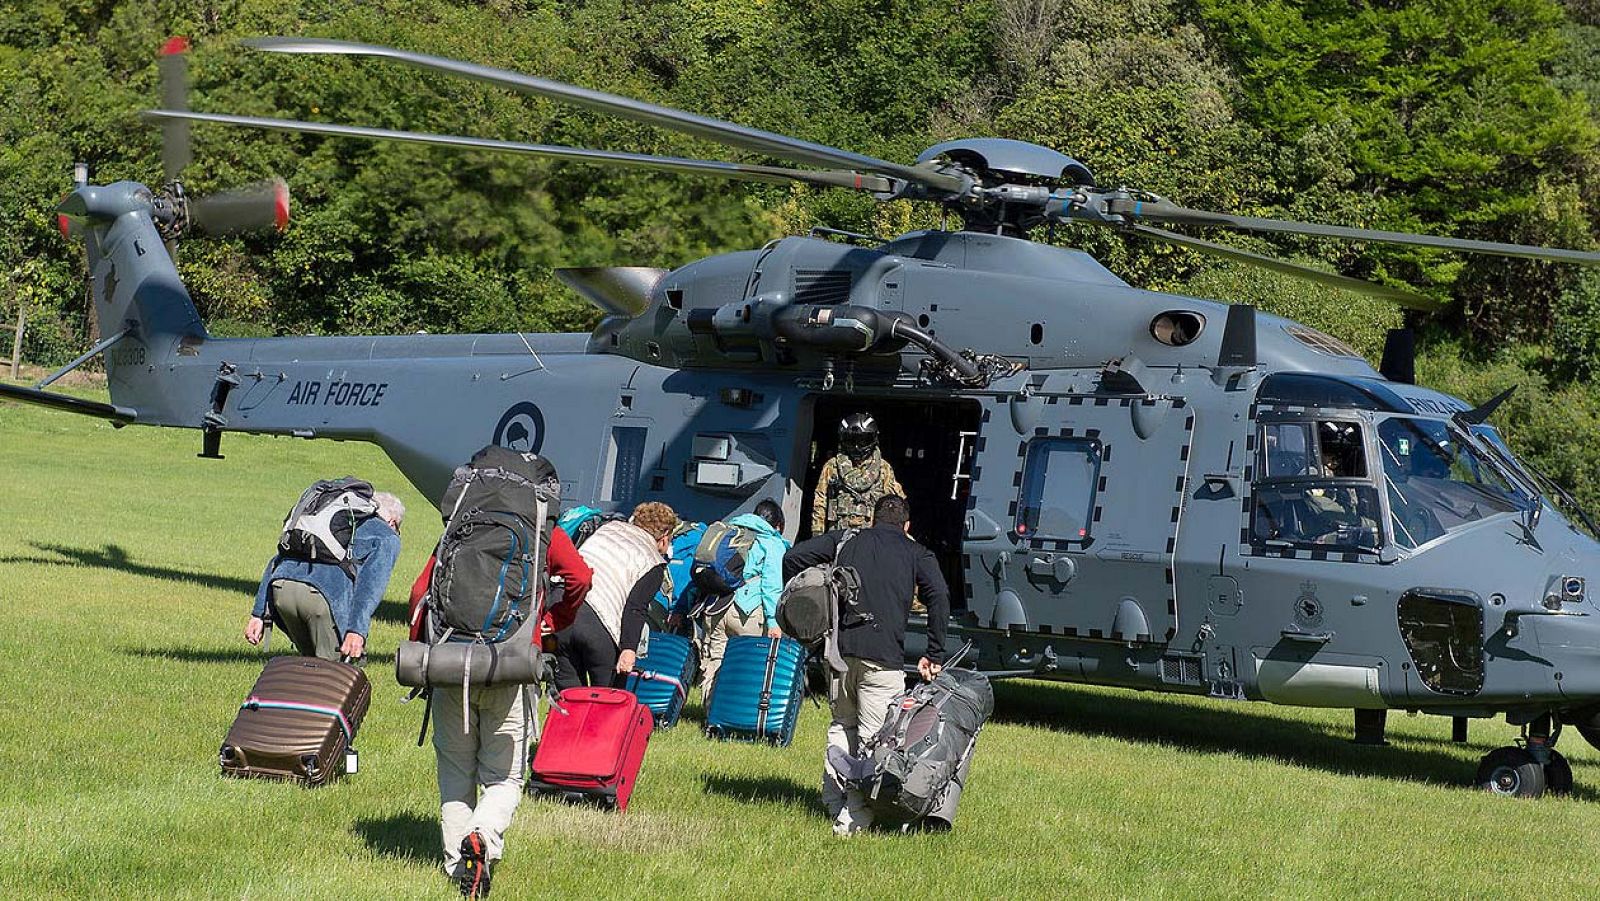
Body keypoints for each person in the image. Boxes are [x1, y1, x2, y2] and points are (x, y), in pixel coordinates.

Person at [409, 459, 592, 899]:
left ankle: (458, 870)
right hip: (510, 663)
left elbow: (420, 593)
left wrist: (430, 650)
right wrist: (547, 623)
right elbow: (580, 578)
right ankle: (484, 836)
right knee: (504, 777)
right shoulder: (542, 528)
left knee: (454, 771)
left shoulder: (460, 522)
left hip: (451, 661)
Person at [783, 494, 949, 835]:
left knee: (842, 726)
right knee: (877, 743)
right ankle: (853, 819)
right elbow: (940, 595)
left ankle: (832, 799)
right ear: (907, 526)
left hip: (839, 654)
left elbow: (793, 557)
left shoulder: (845, 539)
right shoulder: (916, 552)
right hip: (883, 660)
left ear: (872, 520)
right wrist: (934, 653)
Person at [245, 490, 405, 662]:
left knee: (309, 664)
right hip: (320, 599)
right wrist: (356, 631)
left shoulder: (333, 518)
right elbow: (370, 587)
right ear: (392, 522)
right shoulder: (386, 536)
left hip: (282, 590)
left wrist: (259, 614)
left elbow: (279, 557)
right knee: (333, 673)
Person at [556, 501, 679, 689]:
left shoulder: (607, 528)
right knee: (608, 698)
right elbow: (635, 608)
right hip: (598, 624)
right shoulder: (653, 563)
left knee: (567, 698)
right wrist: (629, 649)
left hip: (561, 612)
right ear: (664, 537)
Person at [684, 499, 790, 694]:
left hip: (716, 606)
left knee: (715, 661)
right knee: (747, 665)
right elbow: (771, 586)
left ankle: (710, 716)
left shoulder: (730, 532)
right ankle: (737, 716)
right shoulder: (772, 542)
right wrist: (774, 622)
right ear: (778, 525)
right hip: (747, 612)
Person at [811, 412, 904, 536]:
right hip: (838, 535)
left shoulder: (884, 469)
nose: (856, 446)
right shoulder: (832, 467)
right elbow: (820, 503)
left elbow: (895, 506)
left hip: (871, 538)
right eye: (851, 440)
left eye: (863, 441)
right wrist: (817, 535)